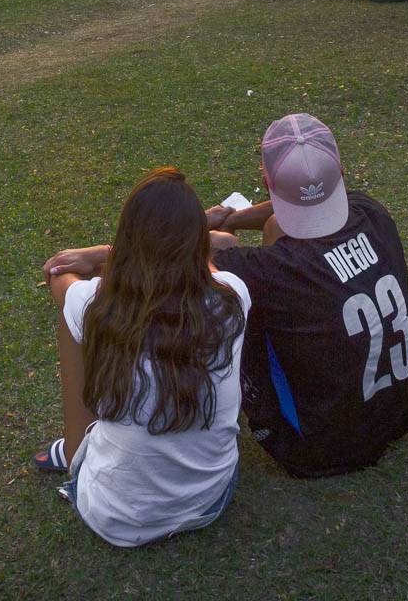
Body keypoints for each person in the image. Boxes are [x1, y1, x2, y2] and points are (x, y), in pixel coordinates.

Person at [45, 115, 408, 484]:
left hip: (315, 447)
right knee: (277, 228)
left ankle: (78, 450)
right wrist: (236, 220)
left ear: (265, 180)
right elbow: (280, 211)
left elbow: (167, 258)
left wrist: (100, 255)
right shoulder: (373, 213)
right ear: (339, 173)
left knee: (216, 290)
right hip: (395, 414)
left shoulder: (268, 272)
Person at [30, 168, 249, 546]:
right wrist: (208, 235)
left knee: (72, 319)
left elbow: (57, 274)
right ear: (197, 243)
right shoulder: (233, 296)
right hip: (210, 497)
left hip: (113, 514)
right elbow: (216, 255)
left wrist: (100, 256)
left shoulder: (96, 303)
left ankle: (71, 451)